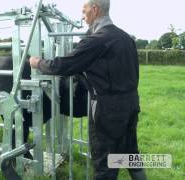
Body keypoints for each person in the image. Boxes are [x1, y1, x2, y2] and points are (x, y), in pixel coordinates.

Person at [29, 0, 147, 179]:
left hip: (108, 109)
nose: (82, 17)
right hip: (131, 103)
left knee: (104, 162)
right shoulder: (126, 38)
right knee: (130, 153)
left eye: (84, 12)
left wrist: (38, 63)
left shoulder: (98, 40)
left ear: (94, 9)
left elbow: (63, 66)